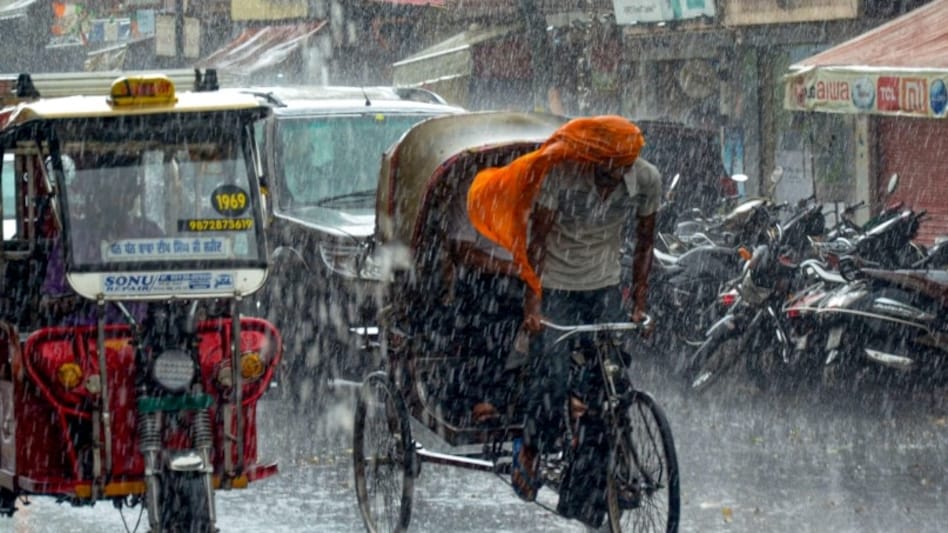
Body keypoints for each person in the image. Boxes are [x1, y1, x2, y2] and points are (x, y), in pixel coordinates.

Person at [467, 115, 659, 527]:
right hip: (555, 285)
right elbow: (536, 244)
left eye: (618, 172)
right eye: (604, 172)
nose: (610, 181)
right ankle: (531, 452)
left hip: (603, 285)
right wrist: (532, 305)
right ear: (592, 160)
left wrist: (639, 304)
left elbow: (645, 245)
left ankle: (598, 480)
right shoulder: (562, 175)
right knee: (550, 376)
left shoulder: (646, 181)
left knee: (610, 384)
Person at [41, 158, 162, 326]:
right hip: (83, 341)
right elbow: (47, 303)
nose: (116, 198)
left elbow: (179, 287)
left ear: (134, 194)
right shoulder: (73, 239)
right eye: (108, 190)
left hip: (140, 339)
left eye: (123, 190)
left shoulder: (150, 234)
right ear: (96, 193)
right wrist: (82, 296)